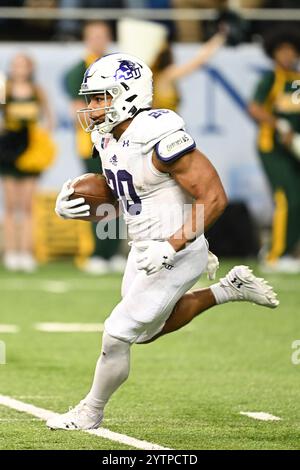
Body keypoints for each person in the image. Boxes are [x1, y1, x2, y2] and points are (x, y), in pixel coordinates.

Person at [47, 53, 279, 430]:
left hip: (177, 248)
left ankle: (90, 410)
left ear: (128, 94)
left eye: (100, 97)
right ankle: (228, 290)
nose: (91, 106)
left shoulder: (158, 135)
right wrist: (73, 202)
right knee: (148, 330)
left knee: (118, 331)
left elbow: (214, 196)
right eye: (90, 98)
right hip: (144, 247)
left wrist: (173, 244)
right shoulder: (108, 137)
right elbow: (124, 187)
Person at [65, 20, 126, 274]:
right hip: (93, 143)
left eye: (103, 35)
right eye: (94, 36)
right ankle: (98, 253)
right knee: (97, 195)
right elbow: (78, 112)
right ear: (86, 39)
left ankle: (113, 251)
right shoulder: (79, 69)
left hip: (120, 141)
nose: (98, 40)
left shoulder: (118, 66)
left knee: (121, 195)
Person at [249, 29, 300, 273]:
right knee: (286, 197)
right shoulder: (271, 78)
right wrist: (278, 124)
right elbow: (254, 109)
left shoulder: (297, 79)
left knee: (296, 199)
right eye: (283, 50)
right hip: (272, 148)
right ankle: (274, 255)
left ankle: (288, 251)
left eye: (291, 50)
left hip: (295, 151)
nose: (288, 55)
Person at [0, 53, 55, 272]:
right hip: (9, 150)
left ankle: (26, 252)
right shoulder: (5, 88)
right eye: (16, 64)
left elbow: (49, 117)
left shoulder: (37, 91)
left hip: (30, 149)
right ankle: (11, 252)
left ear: (30, 68)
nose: (19, 68)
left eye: (24, 64)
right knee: (11, 205)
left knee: (28, 204)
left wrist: (42, 139)